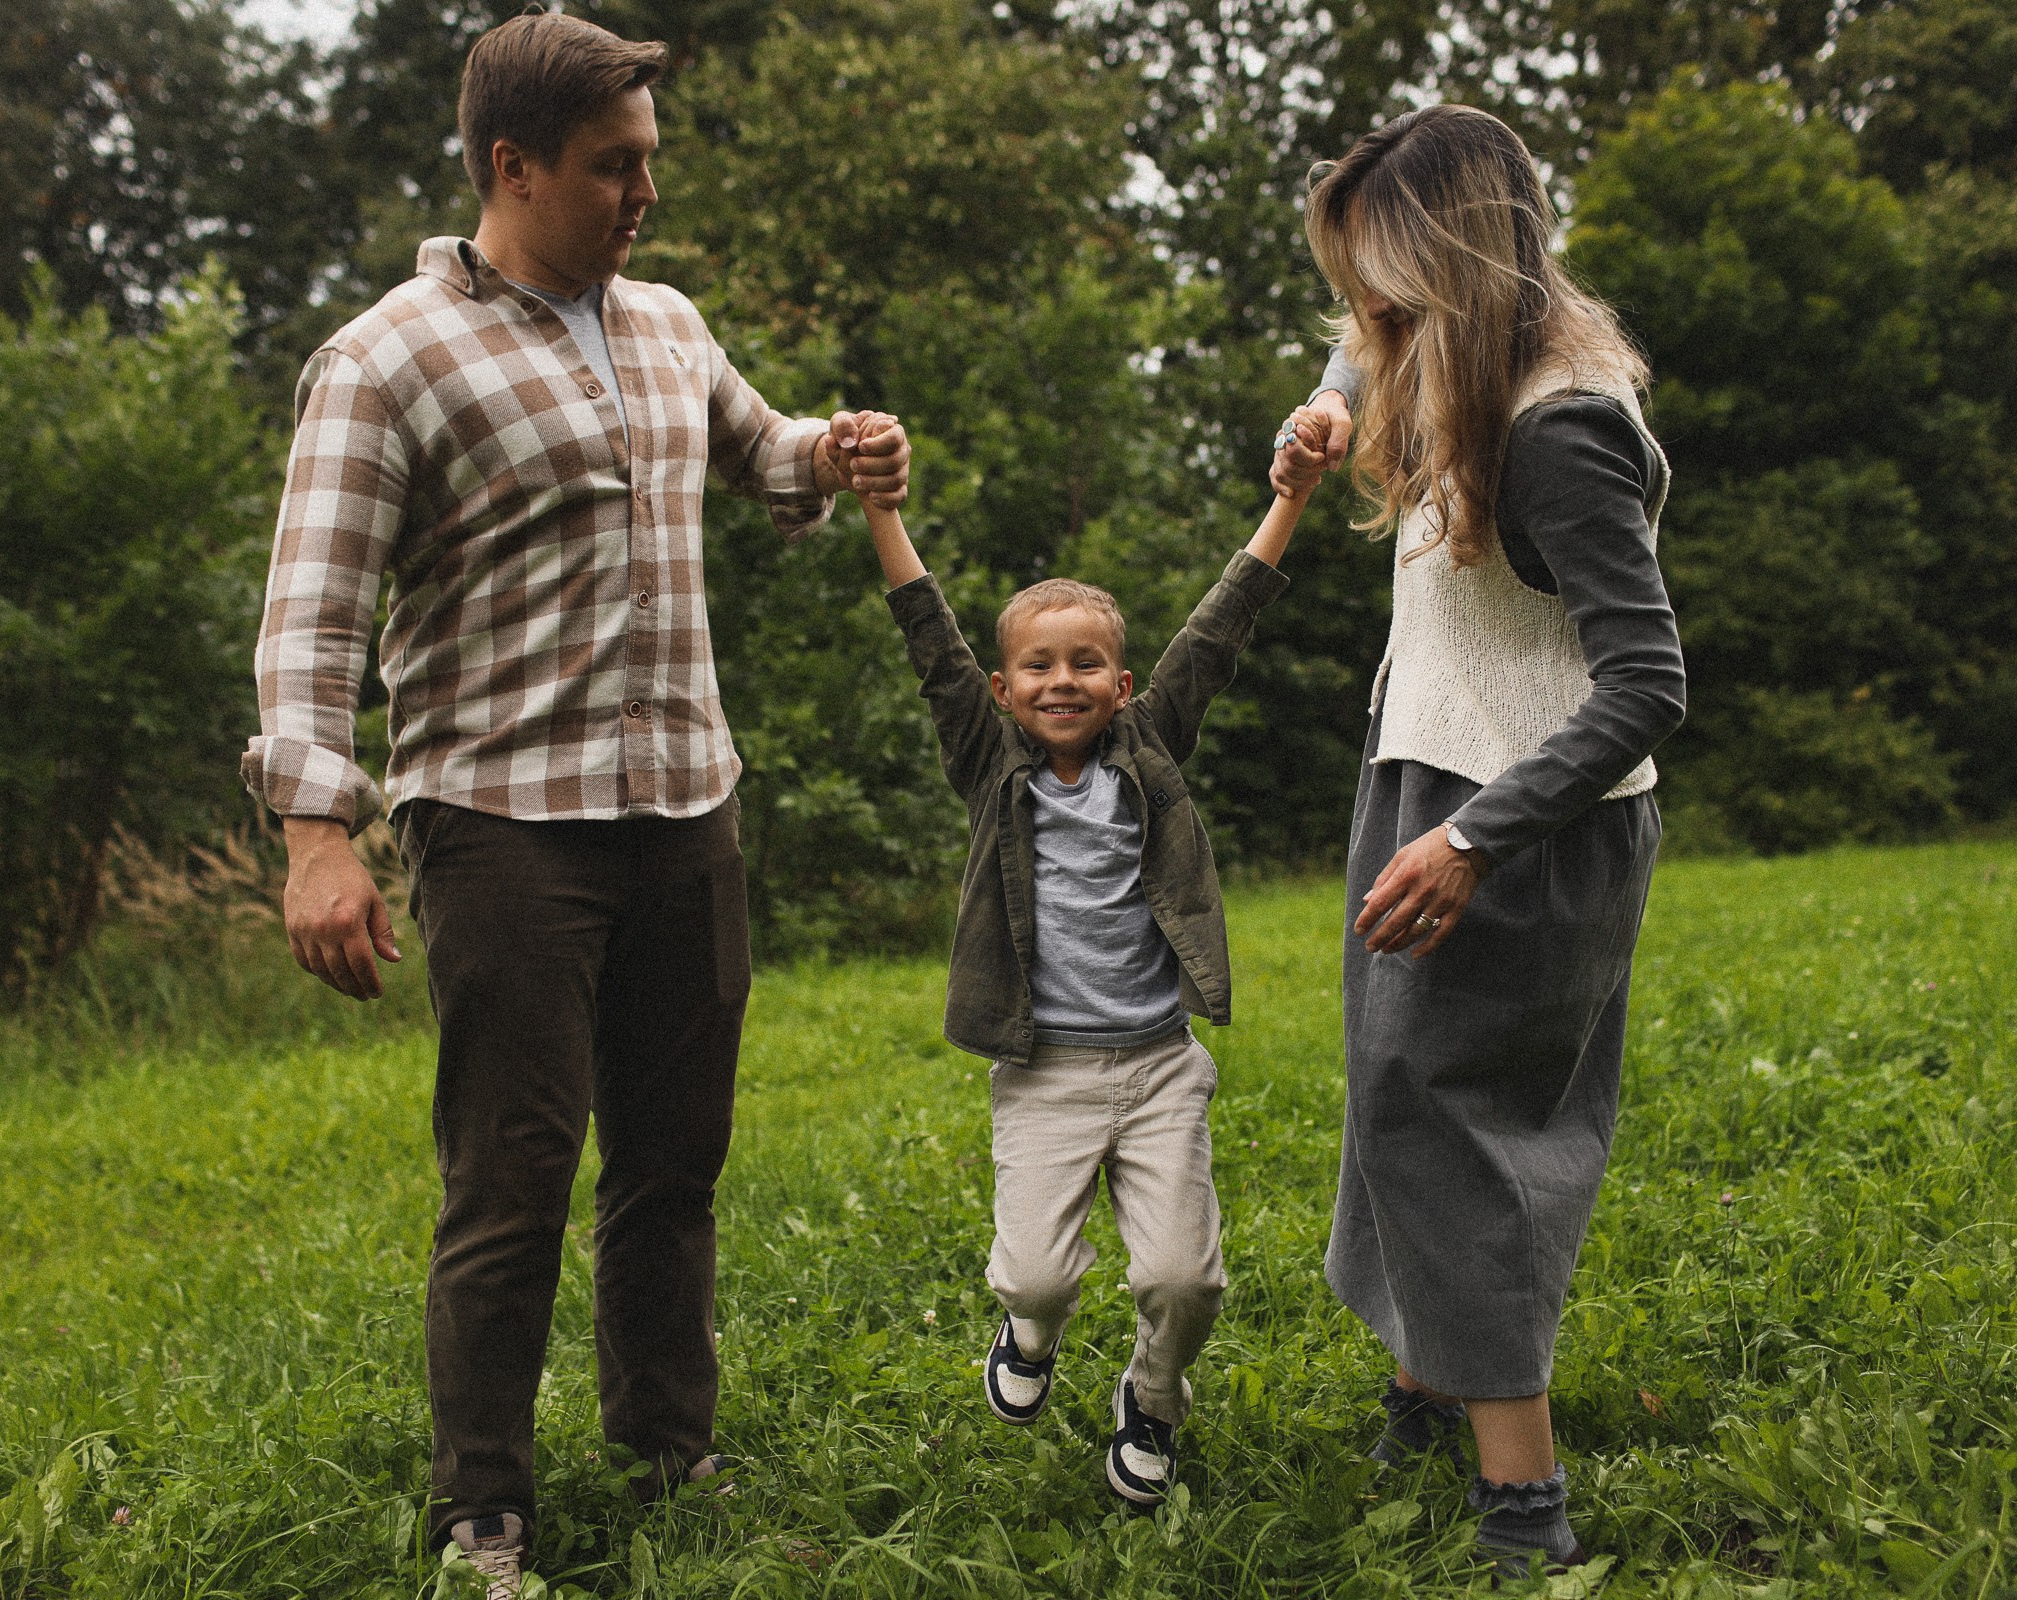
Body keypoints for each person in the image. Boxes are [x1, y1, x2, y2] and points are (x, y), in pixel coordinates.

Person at [241, 14, 910, 1592]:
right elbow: (314, 617)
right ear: (511, 166)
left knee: (675, 1163)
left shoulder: (669, 327)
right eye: (615, 168)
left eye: (651, 164)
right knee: (514, 1176)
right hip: (501, 824)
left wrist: (843, 444)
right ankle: (487, 1509)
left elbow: (763, 458)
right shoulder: (386, 358)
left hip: (686, 804)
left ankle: (673, 1453)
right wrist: (316, 832)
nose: (643, 195)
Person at [1269, 105, 1686, 1575]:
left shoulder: (1557, 426)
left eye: (1381, 280)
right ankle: (1427, 1385)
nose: (1361, 313)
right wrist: (1327, 406)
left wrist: (1472, 845)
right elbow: (1353, 345)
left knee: (1457, 1124)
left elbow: (1648, 684)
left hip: (1518, 823)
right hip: (1430, 772)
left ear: (1455, 257)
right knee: (1400, 1101)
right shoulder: (1446, 346)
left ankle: (1528, 1503)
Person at [857, 409, 1327, 1508]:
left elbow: (1221, 625)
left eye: (1087, 664)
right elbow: (928, 633)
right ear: (1005, 691)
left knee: (1182, 1275)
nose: (1062, 681)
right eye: (1037, 666)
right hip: (1045, 1070)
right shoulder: (988, 765)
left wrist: (1293, 496)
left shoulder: (1149, 748)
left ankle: (1153, 1400)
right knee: (1033, 1272)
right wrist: (882, 510)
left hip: (1159, 1064)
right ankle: (1029, 1333)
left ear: (1121, 687)